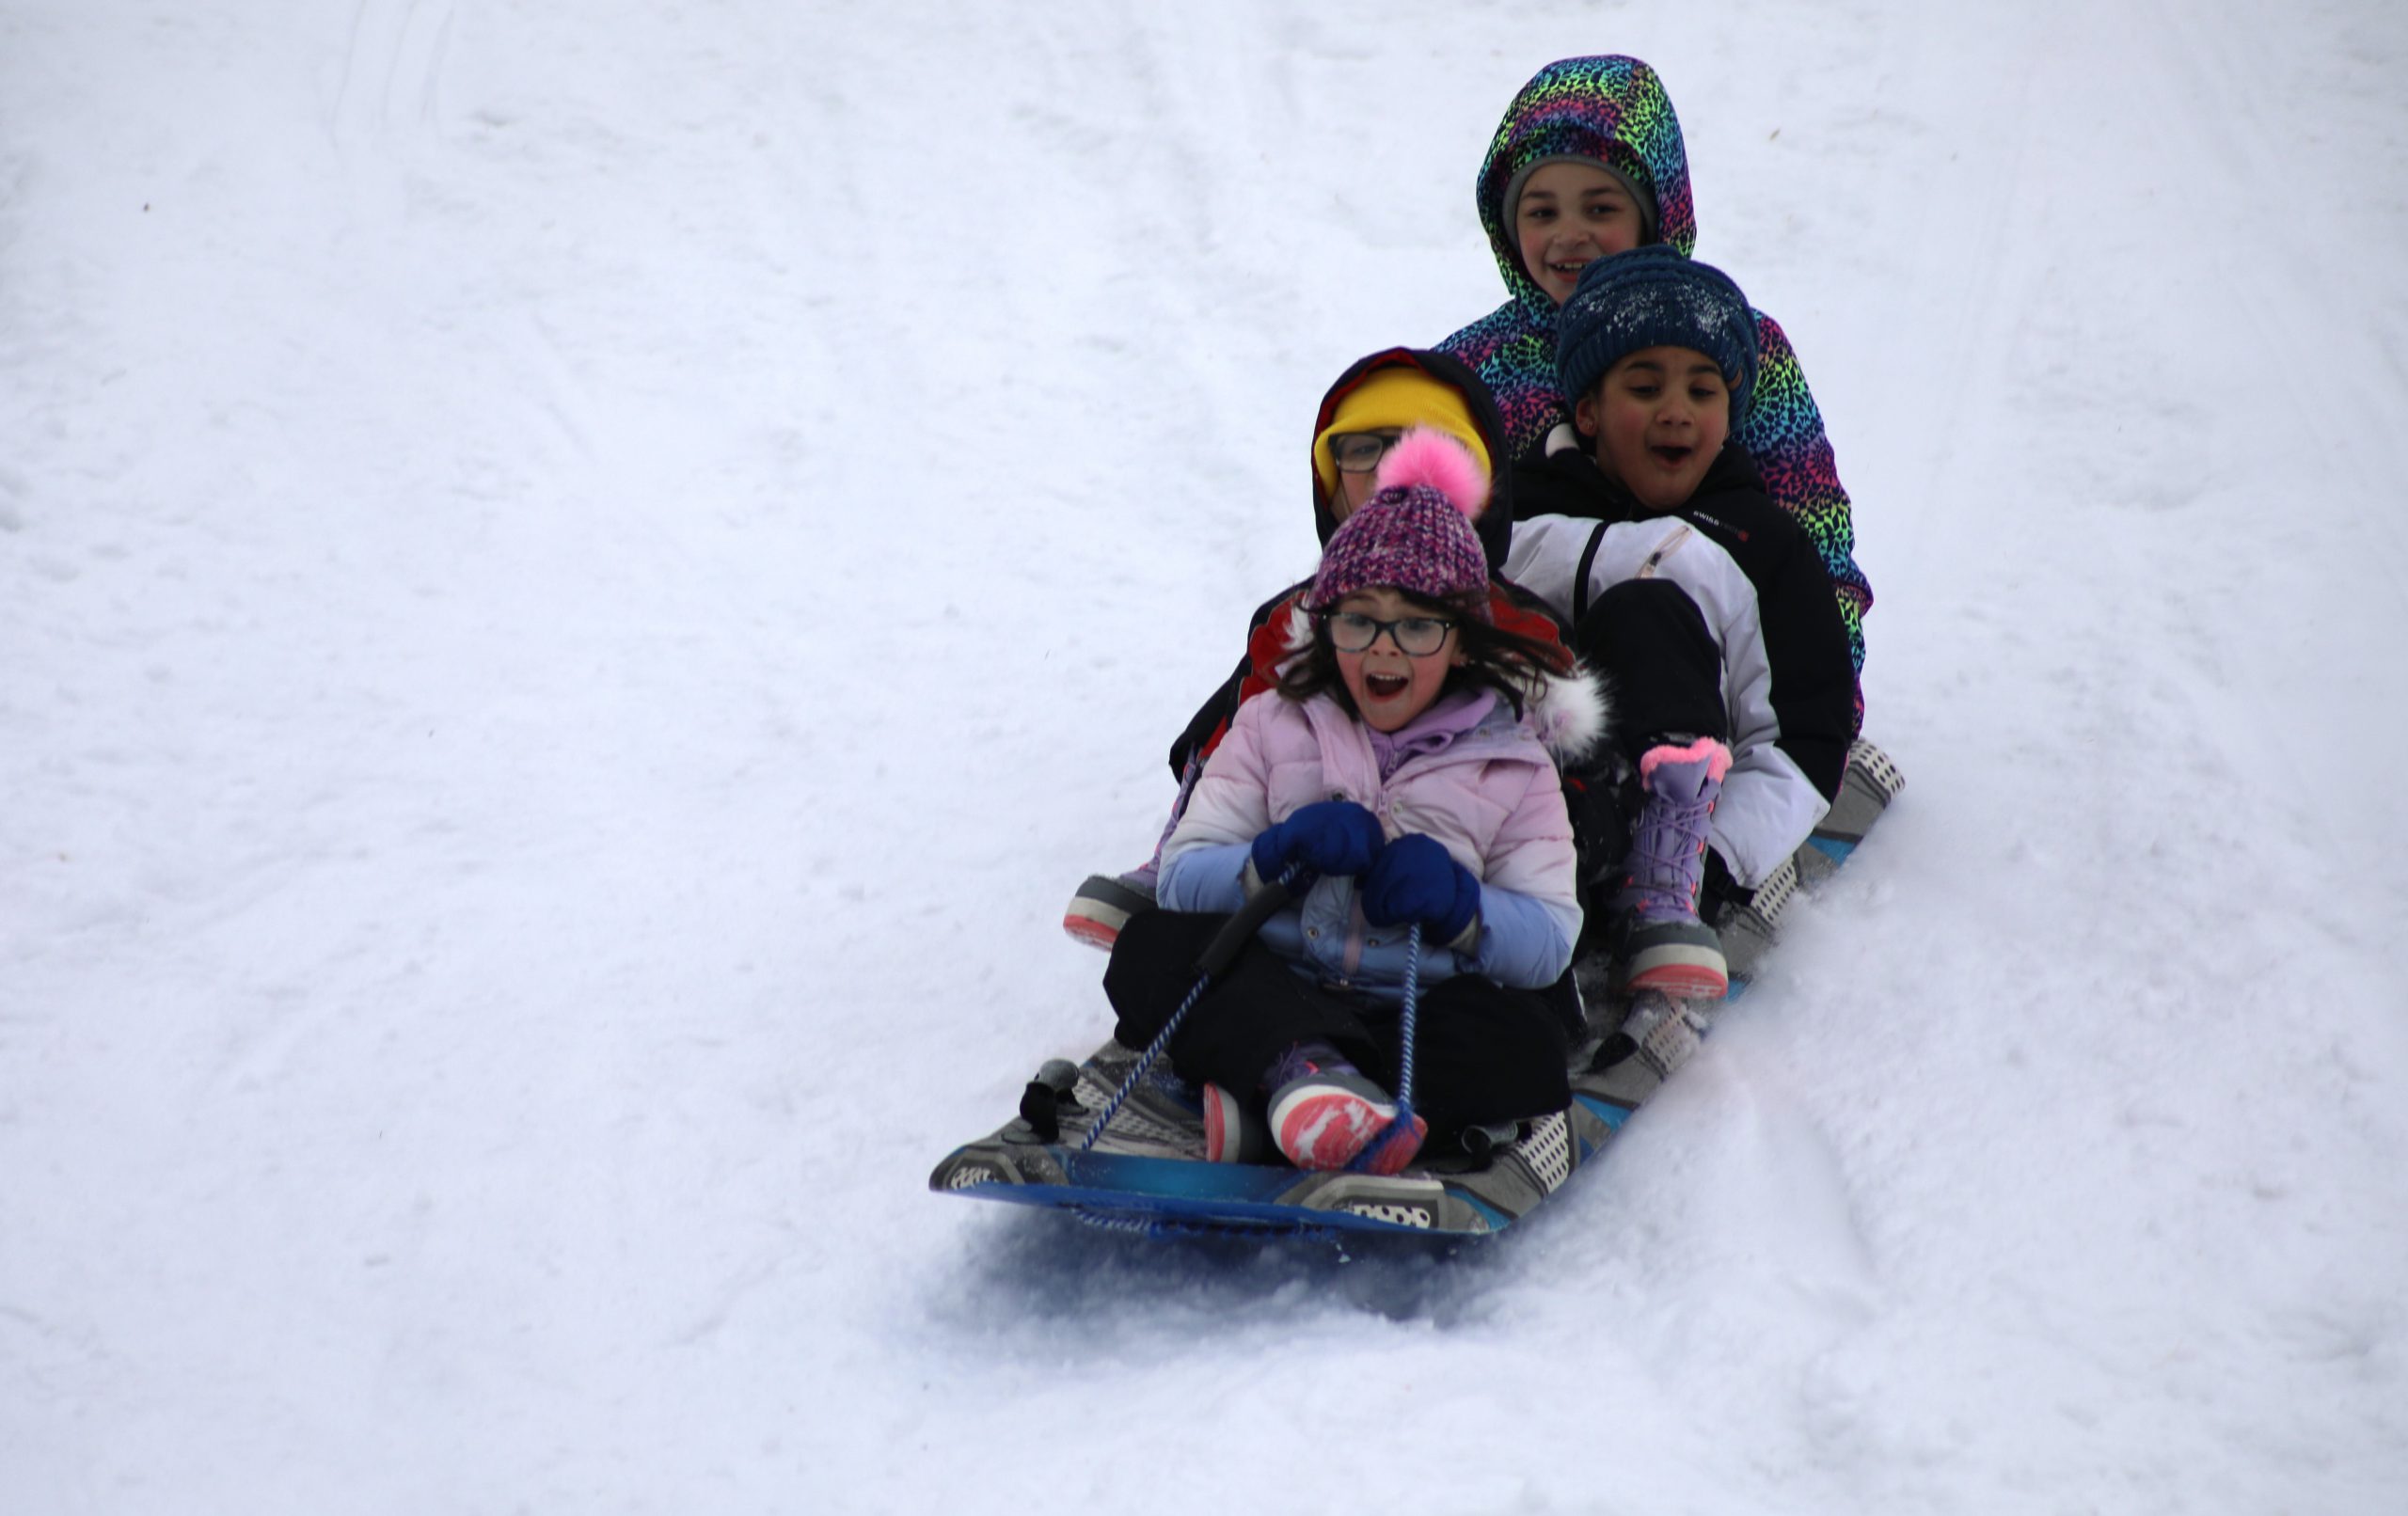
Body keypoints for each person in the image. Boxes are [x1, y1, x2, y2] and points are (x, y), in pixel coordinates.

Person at [1101, 430, 1608, 1175]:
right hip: (1281, 991)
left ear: (1462, 640)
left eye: (1416, 624)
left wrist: (1464, 910)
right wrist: (1271, 858)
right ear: (1328, 622)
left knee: (1527, 1046)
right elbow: (1182, 877)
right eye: (1359, 619)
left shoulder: (1515, 763)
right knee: (1149, 953)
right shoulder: (1274, 721)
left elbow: (1549, 940)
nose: (1383, 648)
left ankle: (1286, 1104)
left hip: (1422, 1006)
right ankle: (1309, 1080)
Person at [1061, 348, 1579, 952]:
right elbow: (1254, 733)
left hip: (1462, 889)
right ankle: (1184, 843)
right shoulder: (1300, 612)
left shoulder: (1519, 622)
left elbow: (1548, 778)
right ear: (1329, 489)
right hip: (1309, 882)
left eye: (1426, 446)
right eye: (1363, 448)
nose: (1392, 468)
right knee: (1253, 687)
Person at [1436, 54, 1874, 724]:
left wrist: (1821, 706)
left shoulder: (1725, 343)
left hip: (1703, 678)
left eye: (1600, 206)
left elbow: (1811, 540)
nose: (1568, 234)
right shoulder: (1474, 368)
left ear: (1655, 212)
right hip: (1522, 684)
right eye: (1541, 210)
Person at [1502, 245, 1857, 999]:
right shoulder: (1519, 516)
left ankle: (1656, 890)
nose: (1676, 410)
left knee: (1646, 610)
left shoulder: (1761, 542)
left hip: (1669, 833)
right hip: (1528, 807)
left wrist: (1716, 860)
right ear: (1588, 410)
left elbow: (1802, 734)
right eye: (1644, 385)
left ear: (1729, 419)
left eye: (1703, 390)